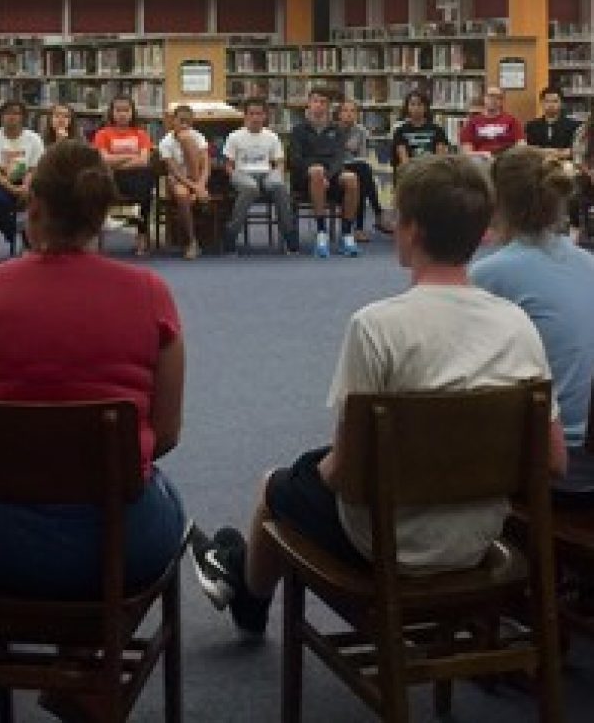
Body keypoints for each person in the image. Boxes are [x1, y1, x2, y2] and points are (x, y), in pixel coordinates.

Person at [191, 154, 567, 640]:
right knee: (308, 469)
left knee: (276, 486)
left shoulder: (377, 325)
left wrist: (313, 473)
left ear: (408, 230)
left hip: (386, 544)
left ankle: (249, 601)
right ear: (483, 233)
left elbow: (348, 474)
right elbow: (552, 461)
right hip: (477, 537)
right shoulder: (517, 323)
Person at [0, 139, 185, 603]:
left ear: (33, 206)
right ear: (102, 213)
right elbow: (166, 434)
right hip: (116, 542)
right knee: (167, 498)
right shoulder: (149, 293)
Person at [471, 146, 594, 447]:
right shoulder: (588, 262)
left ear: (495, 202)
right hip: (589, 434)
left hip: (549, 442)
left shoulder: (490, 273)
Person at [222, 97, 297, 255]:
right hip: (243, 173)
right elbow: (229, 165)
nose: (255, 117)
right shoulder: (234, 136)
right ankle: (231, 235)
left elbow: (279, 162)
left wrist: (278, 176)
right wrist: (234, 176)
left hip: (266, 173)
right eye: (251, 114)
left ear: (265, 116)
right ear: (245, 116)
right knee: (250, 187)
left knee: (279, 186)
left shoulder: (272, 136)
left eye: (259, 114)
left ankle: (289, 235)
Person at [289, 89, 359, 257]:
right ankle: (322, 233)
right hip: (305, 179)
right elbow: (295, 159)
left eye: (323, 102)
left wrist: (327, 176)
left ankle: (347, 234)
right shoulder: (298, 130)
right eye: (315, 101)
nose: (318, 105)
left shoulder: (338, 130)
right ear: (309, 104)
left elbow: (339, 158)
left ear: (328, 106)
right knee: (317, 172)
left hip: (331, 176)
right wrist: (314, 171)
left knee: (351, 178)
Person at [0, 99, 44, 253]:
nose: (12, 117)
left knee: (44, 198)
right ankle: (16, 232)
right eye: (7, 113)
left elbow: (34, 169)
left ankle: (36, 238)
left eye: (16, 113)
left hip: (27, 181)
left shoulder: (34, 139)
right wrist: (13, 189)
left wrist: (25, 186)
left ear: (23, 117)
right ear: (1, 116)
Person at [93, 95, 155, 256]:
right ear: (111, 112)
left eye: (126, 110)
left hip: (136, 178)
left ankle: (141, 234)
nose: (122, 114)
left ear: (132, 112)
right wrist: (130, 157)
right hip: (111, 180)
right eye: (118, 110)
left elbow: (144, 160)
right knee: (101, 176)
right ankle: (129, 217)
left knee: (146, 177)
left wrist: (117, 163)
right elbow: (103, 159)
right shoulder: (103, 134)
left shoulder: (141, 134)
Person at [158, 104, 211, 260]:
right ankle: (191, 241)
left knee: (188, 139)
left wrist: (200, 185)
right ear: (173, 121)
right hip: (178, 179)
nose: (184, 125)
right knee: (182, 195)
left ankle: (199, 198)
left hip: (197, 178)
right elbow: (175, 171)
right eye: (181, 121)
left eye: (188, 122)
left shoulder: (198, 136)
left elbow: (206, 165)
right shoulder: (166, 142)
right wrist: (195, 188)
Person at [338, 99, 393, 241]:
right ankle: (377, 215)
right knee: (364, 171)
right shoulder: (333, 130)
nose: (349, 114)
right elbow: (336, 155)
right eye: (345, 111)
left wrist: (347, 148)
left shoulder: (361, 130)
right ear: (339, 114)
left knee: (361, 178)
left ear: (357, 114)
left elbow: (361, 155)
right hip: (339, 168)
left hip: (357, 167)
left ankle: (359, 229)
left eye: (353, 111)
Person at [391, 89, 449, 175]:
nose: (416, 108)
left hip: (432, 173)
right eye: (412, 104)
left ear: (425, 107)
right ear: (407, 107)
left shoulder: (437, 130)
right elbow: (404, 160)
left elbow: (440, 158)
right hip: (409, 175)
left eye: (420, 104)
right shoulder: (400, 131)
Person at [459, 85, 524, 159]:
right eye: (490, 96)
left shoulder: (512, 121)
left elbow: (521, 147)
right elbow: (467, 152)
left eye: (498, 97)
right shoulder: (472, 122)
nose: (493, 100)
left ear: (502, 101)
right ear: (484, 98)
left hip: (505, 160)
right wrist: (481, 154)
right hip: (481, 159)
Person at [524, 85, 579, 160]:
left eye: (555, 101)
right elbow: (529, 150)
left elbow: (574, 151)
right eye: (547, 101)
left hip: (564, 165)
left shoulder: (574, 126)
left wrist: (550, 153)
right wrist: (556, 152)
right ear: (541, 103)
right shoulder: (531, 126)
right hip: (537, 166)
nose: (551, 105)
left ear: (561, 103)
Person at [570, 116, 594, 240]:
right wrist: (590, 172)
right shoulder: (583, 130)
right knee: (577, 187)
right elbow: (577, 158)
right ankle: (582, 230)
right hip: (586, 174)